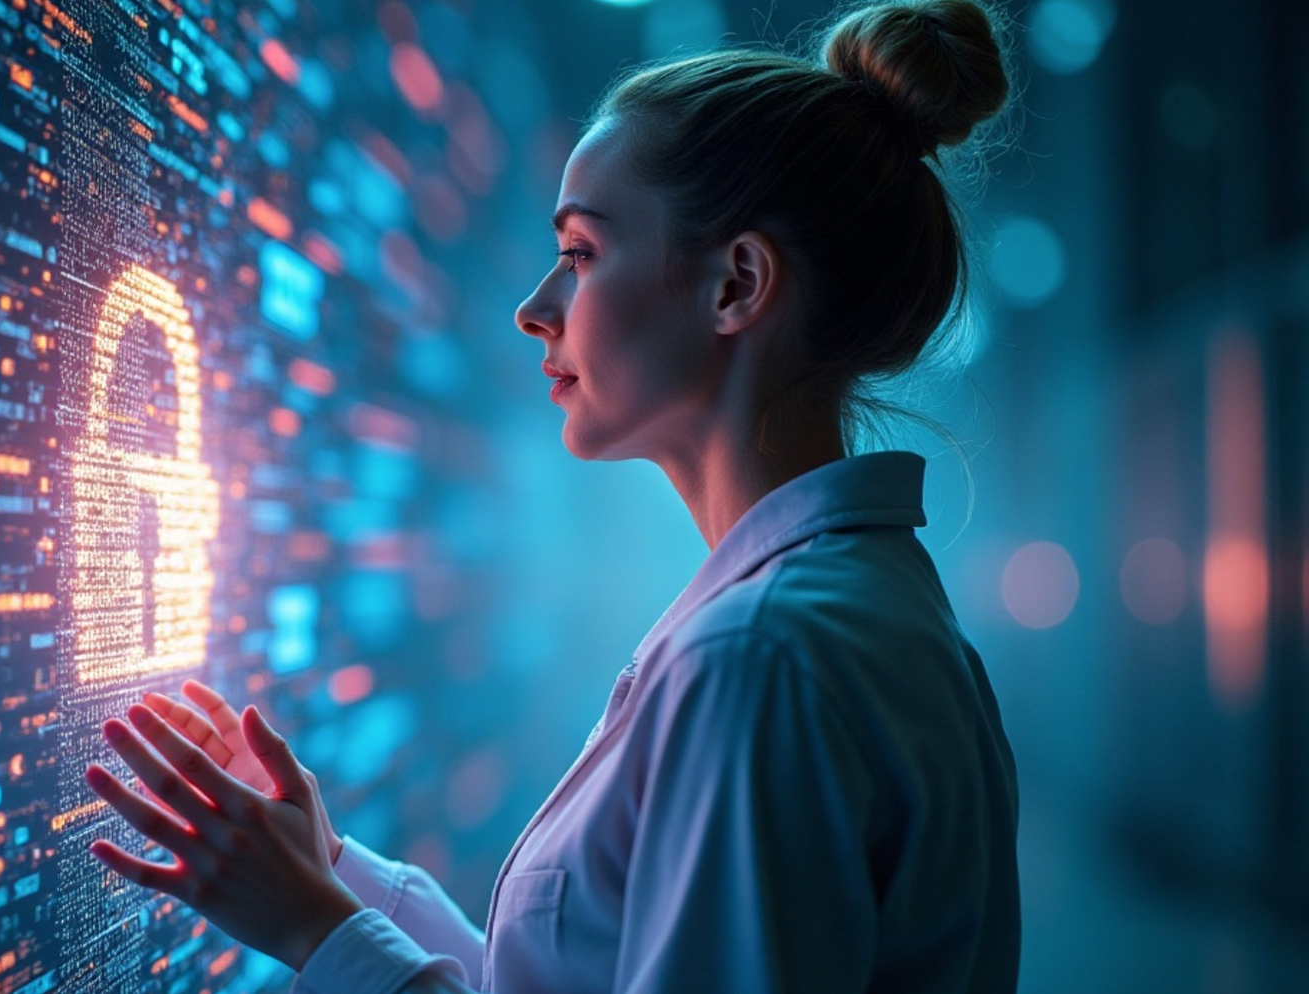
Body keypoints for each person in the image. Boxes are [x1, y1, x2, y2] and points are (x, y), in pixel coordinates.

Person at [81, 0, 1021, 990]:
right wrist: (327, 873)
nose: (535, 309)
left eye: (580, 254)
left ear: (736, 285)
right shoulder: (841, 619)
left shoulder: (758, 657)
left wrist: (318, 930)